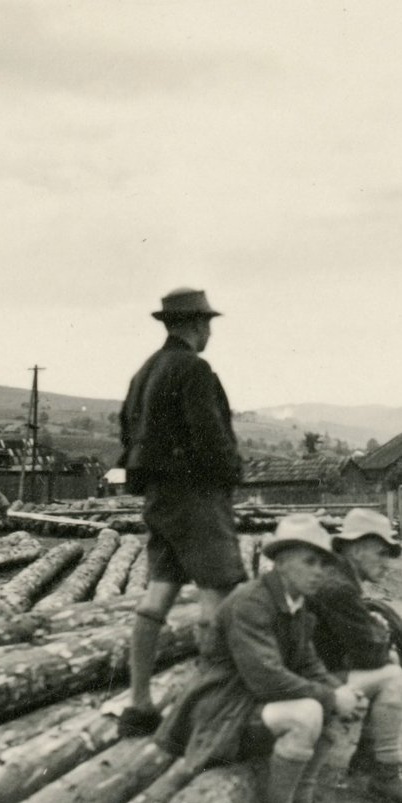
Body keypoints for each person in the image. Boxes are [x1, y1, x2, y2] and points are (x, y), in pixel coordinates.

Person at [156, 514, 364, 803]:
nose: (319, 571)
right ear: (281, 562)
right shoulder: (252, 603)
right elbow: (265, 677)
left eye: (324, 564)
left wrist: (340, 693)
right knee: (309, 711)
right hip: (221, 710)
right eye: (310, 561)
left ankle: (302, 800)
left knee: (334, 696)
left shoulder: (296, 605)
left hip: (250, 705)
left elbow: (308, 663)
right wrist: (330, 696)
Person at [117, 287, 247, 736]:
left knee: (157, 597)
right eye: (207, 323)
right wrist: (230, 477)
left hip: (160, 499)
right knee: (219, 598)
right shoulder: (194, 369)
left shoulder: (144, 372)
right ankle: (211, 714)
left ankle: (138, 706)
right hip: (197, 497)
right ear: (196, 325)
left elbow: (126, 436)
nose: (209, 332)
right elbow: (210, 435)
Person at [311, 507, 402, 803]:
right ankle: (383, 774)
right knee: (391, 674)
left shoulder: (339, 577)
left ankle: (371, 761)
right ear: (355, 549)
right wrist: (381, 638)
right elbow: (369, 654)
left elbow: (364, 645)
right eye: (381, 553)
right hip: (307, 679)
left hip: (316, 671)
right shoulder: (338, 587)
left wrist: (376, 637)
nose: (387, 564)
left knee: (389, 663)